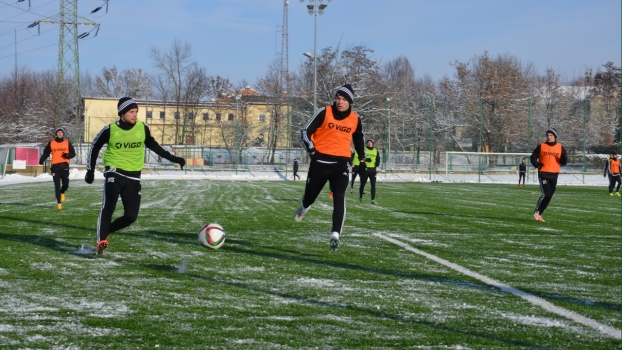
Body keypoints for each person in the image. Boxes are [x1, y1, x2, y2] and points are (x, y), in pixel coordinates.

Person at [85, 97, 186, 255]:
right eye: (131, 112)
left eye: (136, 111)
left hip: (133, 175)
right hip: (114, 171)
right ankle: (101, 240)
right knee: (109, 205)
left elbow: (154, 145)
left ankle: (106, 230)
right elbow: (95, 146)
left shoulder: (142, 128)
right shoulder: (110, 129)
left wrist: (173, 158)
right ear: (122, 113)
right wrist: (90, 170)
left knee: (131, 216)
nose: (135, 115)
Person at [294, 84, 366, 251]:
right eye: (338, 98)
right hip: (319, 163)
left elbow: (359, 139)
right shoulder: (324, 112)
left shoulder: (355, 119)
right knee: (310, 197)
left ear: (350, 102)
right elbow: (305, 131)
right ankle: (305, 206)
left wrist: (361, 159)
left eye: (344, 99)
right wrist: (312, 149)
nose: (340, 102)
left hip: (341, 163)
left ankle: (335, 235)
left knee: (339, 195)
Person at [530, 128, 567, 222]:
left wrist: (564, 158)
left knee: (549, 195)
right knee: (545, 194)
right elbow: (533, 157)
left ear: (555, 136)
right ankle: (536, 212)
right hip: (543, 173)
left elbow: (564, 161)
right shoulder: (541, 146)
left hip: (554, 174)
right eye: (548, 135)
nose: (549, 137)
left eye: (551, 135)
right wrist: (536, 164)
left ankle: (539, 214)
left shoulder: (560, 147)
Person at [38, 127, 76, 210]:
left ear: (63, 134)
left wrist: (67, 155)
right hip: (55, 167)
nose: (60, 133)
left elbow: (73, 153)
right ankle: (59, 203)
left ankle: (62, 192)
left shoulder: (67, 143)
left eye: (61, 132)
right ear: (56, 134)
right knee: (57, 185)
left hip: (65, 166)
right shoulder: (51, 143)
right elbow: (46, 153)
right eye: (58, 132)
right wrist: (42, 159)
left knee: (66, 185)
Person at [358, 139, 380, 204]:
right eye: (368, 142)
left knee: (373, 185)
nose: (369, 143)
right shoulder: (364, 150)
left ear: (373, 143)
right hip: (365, 169)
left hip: (373, 170)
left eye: (370, 142)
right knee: (362, 184)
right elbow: (360, 158)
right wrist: (366, 159)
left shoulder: (376, 150)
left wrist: (378, 162)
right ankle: (360, 198)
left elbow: (378, 158)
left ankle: (372, 200)